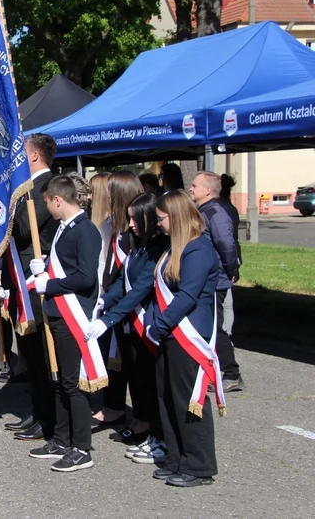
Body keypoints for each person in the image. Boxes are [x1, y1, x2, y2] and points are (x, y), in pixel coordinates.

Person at [147, 189, 224, 488]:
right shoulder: (175, 248)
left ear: (176, 217)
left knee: (188, 401)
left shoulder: (199, 249)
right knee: (166, 397)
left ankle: (200, 466)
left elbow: (187, 296)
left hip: (188, 334)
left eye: (161, 219)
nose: (158, 225)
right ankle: (176, 458)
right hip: (170, 333)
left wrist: (160, 325)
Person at [87, 192, 168, 464]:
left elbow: (141, 288)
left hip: (146, 322)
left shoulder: (159, 247)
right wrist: (104, 301)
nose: (131, 224)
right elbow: (123, 281)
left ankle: (152, 429)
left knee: (148, 381)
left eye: (135, 219)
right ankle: (143, 424)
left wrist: (108, 319)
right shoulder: (140, 244)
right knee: (136, 377)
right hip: (130, 323)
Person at [29, 175, 102, 473]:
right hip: (57, 312)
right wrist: (43, 266)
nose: (47, 207)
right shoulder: (64, 228)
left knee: (73, 384)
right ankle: (61, 439)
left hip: (73, 314)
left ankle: (81, 448)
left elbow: (86, 278)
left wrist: (52, 282)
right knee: (58, 380)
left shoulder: (86, 231)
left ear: (58, 200)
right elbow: (65, 264)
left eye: (47, 202)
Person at [0, 134, 59, 442]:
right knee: (30, 355)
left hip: (37, 282)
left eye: (23, 152)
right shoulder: (27, 187)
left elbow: (23, 229)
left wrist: (8, 200)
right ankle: (36, 411)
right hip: (20, 280)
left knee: (41, 355)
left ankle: (48, 417)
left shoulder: (46, 185)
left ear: (35, 156)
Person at [96, 171, 144, 434]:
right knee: (114, 358)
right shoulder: (116, 225)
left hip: (130, 307)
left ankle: (140, 418)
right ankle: (114, 405)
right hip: (113, 300)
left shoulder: (134, 231)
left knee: (132, 364)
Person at [189, 172, 244, 392]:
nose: (191, 188)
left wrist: (232, 270)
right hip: (206, 278)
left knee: (215, 328)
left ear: (208, 190)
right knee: (207, 326)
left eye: (195, 185)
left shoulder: (215, 212)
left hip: (216, 280)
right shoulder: (203, 211)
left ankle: (232, 374)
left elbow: (227, 246)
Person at [219, 174, 240, 338]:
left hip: (225, 257)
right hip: (232, 256)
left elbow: (226, 242)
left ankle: (225, 333)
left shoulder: (221, 210)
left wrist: (231, 267)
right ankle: (227, 331)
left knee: (225, 300)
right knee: (227, 300)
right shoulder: (230, 207)